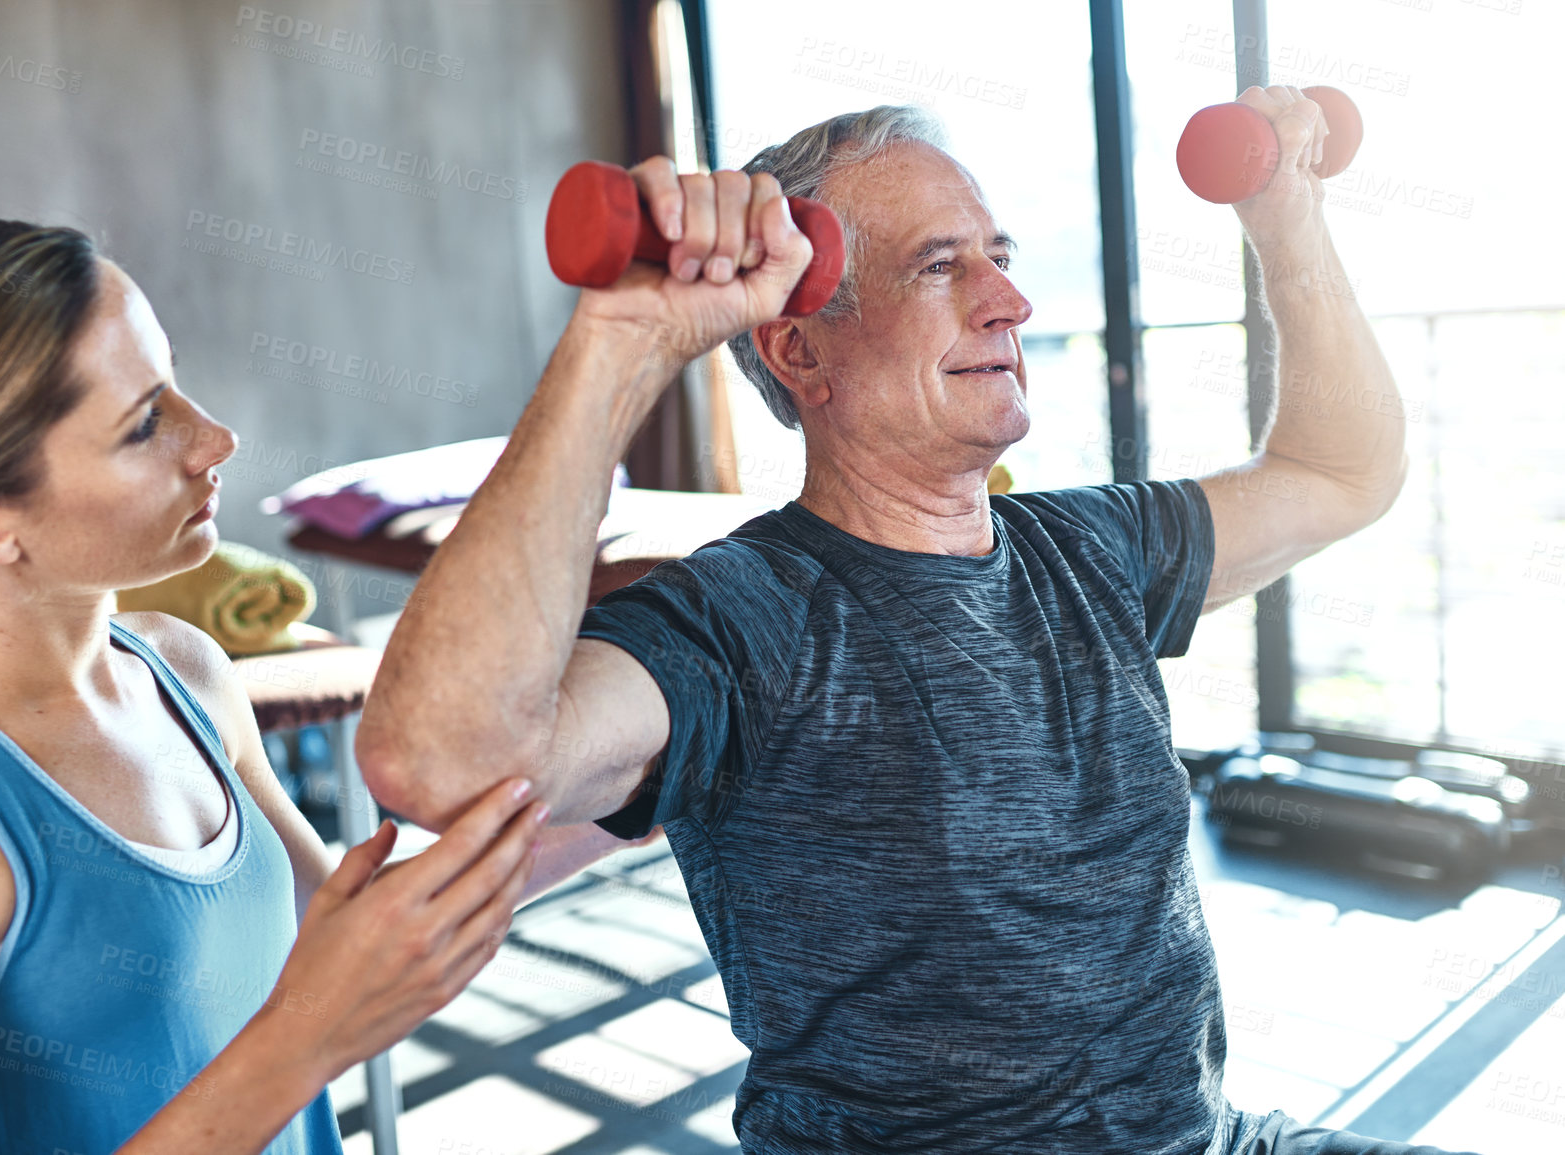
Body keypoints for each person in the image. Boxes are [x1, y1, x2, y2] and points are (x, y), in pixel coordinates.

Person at [353, 95, 1480, 1154]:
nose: (1009, 302)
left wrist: (1286, 216)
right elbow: (441, 760)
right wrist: (623, 345)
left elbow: (1342, 470)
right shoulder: (739, 622)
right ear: (800, 353)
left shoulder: (1090, 551)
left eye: (1000, 257)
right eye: (940, 267)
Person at [0, 219, 638, 1154]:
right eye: (143, 423)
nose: (214, 436)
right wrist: (305, 1041)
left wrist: (658, 785)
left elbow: (347, 937)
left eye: (173, 378)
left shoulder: (185, 672)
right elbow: (321, 1008)